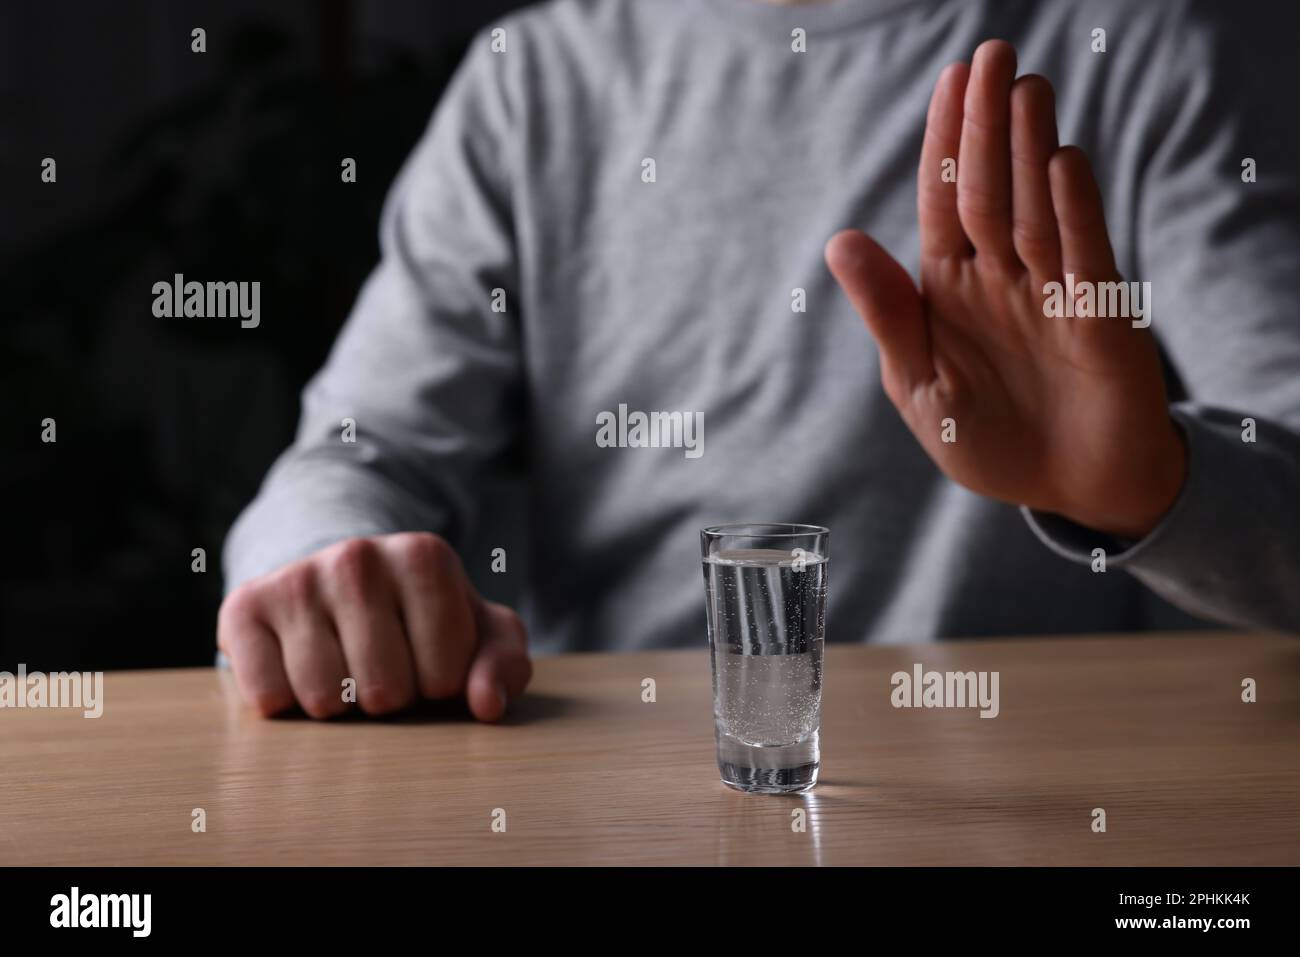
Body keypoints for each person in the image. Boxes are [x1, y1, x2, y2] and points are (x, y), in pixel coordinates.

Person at [218, 0, 1300, 721]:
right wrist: (328, 569)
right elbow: (357, 451)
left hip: (1017, 806)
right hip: (604, 796)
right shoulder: (534, 82)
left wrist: (1148, 487)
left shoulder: (1134, 48)